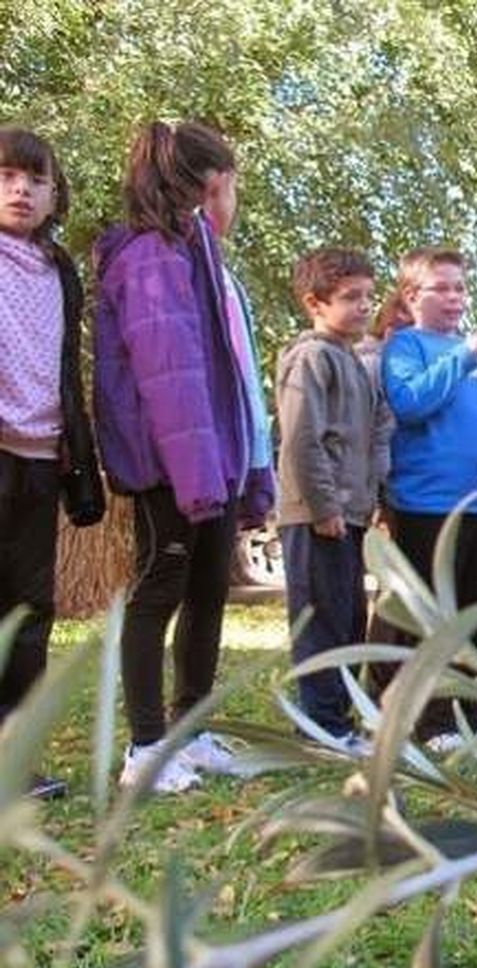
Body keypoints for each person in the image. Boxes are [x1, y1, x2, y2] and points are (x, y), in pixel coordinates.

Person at [94, 121, 274, 793]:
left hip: (211, 463)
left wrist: (241, 472)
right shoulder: (152, 258)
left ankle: (190, 731)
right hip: (169, 467)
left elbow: (229, 372)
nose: (236, 203)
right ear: (210, 186)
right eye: (234, 188)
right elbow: (170, 376)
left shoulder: (203, 258)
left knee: (207, 595)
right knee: (157, 593)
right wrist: (200, 480)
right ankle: (145, 748)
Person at [0, 127, 105, 799]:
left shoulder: (59, 267)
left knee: (32, 608)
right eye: (8, 176)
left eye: (36, 180)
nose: (21, 190)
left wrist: (78, 456)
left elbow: (66, 365)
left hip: (41, 458)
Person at [380, 247, 477, 743]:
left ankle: (472, 712)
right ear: (413, 295)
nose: (456, 297)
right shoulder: (406, 347)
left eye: (461, 286)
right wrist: (463, 356)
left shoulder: (476, 358)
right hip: (428, 504)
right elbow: (411, 403)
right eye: (444, 287)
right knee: (432, 616)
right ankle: (431, 718)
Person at [275, 248, 392, 752]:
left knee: (348, 617)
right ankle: (321, 724)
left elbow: (371, 431)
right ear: (314, 303)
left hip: (351, 512)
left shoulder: (354, 360)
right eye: (351, 298)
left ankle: (338, 719)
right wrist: (323, 506)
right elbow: (303, 437)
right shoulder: (312, 358)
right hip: (317, 515)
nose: (365, 306)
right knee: (321, 619)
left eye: (369, 296)